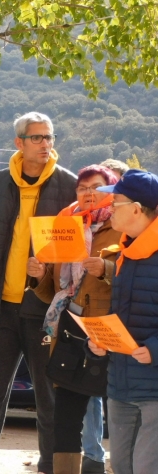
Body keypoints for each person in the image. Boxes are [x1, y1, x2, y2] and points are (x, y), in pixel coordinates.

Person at [0, 112, 77, 474]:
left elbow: (73, 251)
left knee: (49, 399)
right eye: (38, 138)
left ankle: (50, 467)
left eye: (50, 137)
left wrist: (48, 275)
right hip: (0, 309)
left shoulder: (67, 185)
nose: (45, 144)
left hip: (44, 311)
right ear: (20, 143)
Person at [27, 165, 120, 474]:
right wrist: (40, 277)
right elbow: (55, 291)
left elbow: (140, 280)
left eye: (97, 187)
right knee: (65, 417)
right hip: (69, 330)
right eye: (83, 188)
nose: (89, 193)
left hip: (109, 333)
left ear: (111, 191)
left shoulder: (123, 227)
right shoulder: (66, 226)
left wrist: (106, 271)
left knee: (121, 414)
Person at [88, 169, 158, 474]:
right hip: (120, 384)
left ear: (136, 209)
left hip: (154, 387)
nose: (108, 209)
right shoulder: (125, 253)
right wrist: (100, 341)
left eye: (115, 202)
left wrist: (156, 348)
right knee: (121, 467)